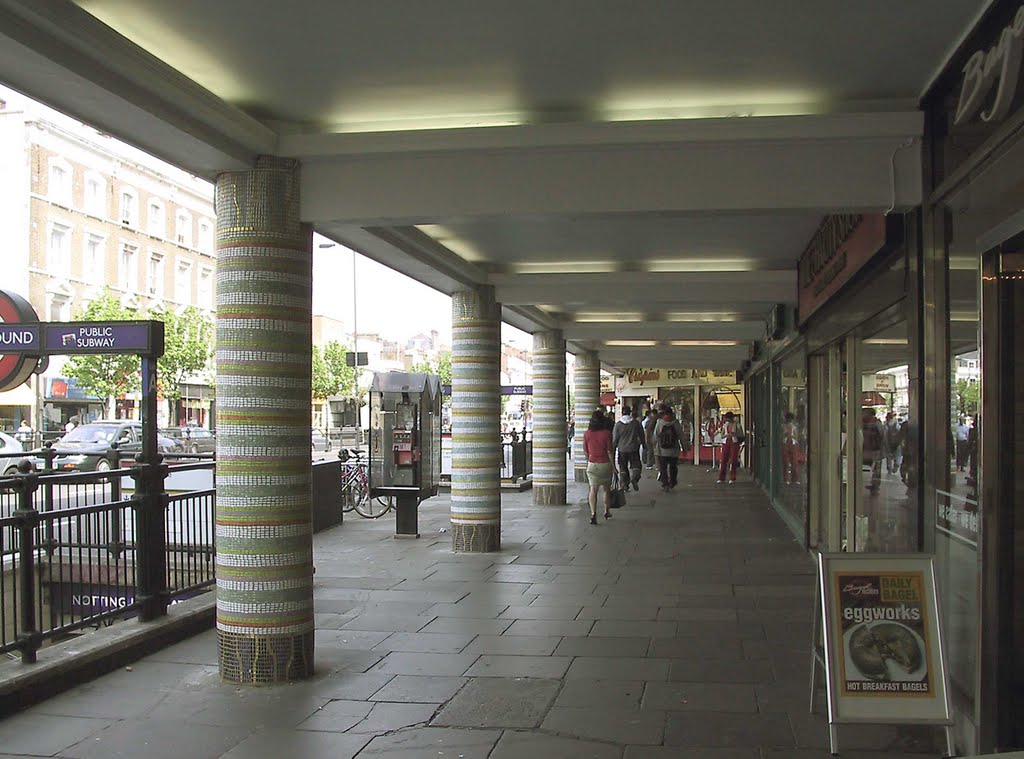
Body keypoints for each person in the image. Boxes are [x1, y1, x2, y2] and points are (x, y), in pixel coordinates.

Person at [583, 409, 615, 524]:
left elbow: (586, 451)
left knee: (593, 489)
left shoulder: (587, 434)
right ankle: (607, 511)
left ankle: (593, 514)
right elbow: (610, 451)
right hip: (605, 464)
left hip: (592, 464)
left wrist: (590, 461)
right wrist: (614, 466)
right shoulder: (607, 433)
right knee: (606, 489)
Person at [612, 405, 644, 491]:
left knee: (623, 467)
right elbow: (641, 435)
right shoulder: (635, 423)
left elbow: (615, 439)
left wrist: (613, 449)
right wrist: (644, 445)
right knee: (636, 465)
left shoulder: (618, 425)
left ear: (622, 413)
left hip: (622, 449)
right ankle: (634, 478)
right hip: (633, 448)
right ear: (630, 412)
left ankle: (624, 485)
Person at [653, 405, 684, 492]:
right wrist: (685, 448)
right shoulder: (675, 423)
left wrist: (654, 445)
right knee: (673, 467)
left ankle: (665, 484)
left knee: (663, 468)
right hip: (673, 450)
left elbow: (655, 436)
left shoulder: (660, 422)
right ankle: (672, 482)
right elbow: (681, 435)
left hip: (662, 451)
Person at [717, 411, 744, 483]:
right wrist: (727, 435)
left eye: (729, 419)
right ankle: (721, 477)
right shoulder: (725, 425)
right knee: (723, 460)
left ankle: (732, 477)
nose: (728, 421)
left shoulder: (737, 425)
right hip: (726, 442)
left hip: (734, 442)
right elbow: (722, 435)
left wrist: (735, 434)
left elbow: (741, 435)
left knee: (733, 460)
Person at [862, 407, 884, 494]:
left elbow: (881, 437)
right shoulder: (863, 423)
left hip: (874, 450)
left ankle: (875, 486)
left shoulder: (877, 424)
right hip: (865, 449)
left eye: (864, 413)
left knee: (876, 468)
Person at [781, 412, 798, 485]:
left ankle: (794, 479)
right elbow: (782, 435)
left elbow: (796, 436)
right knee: (786, 462)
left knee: (794, 462)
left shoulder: (793, 427)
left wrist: (792, 436)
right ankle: (786, 479)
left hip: (792, 443)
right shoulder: (783, 427)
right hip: (786, 443)